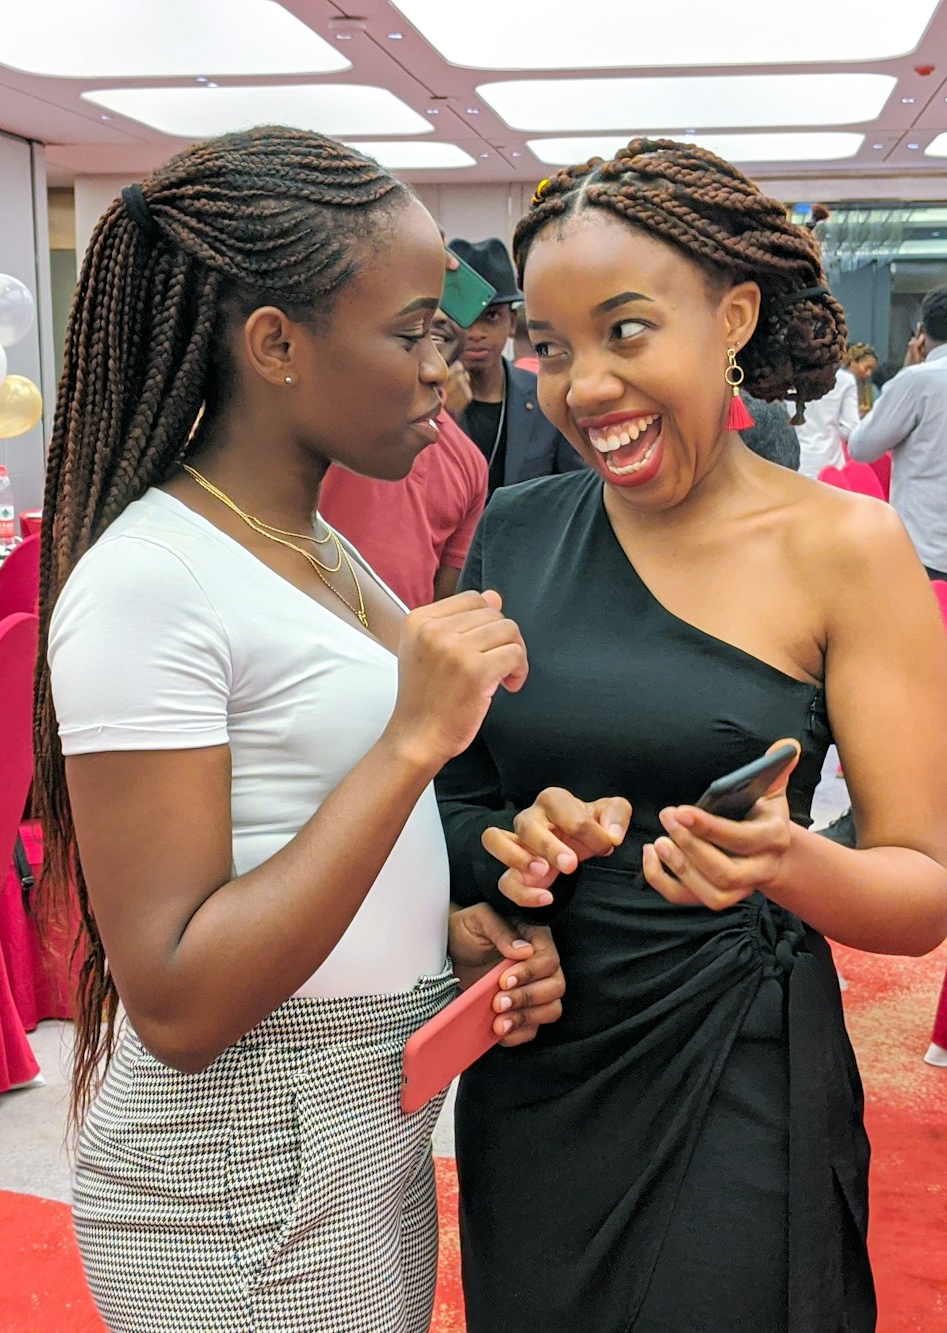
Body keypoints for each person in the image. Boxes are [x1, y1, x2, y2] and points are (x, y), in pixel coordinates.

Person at [33, 125, 565, 1333]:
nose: (446, 364)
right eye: (412, 328)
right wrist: (411, 744)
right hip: (234, 1187)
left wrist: (448, 937)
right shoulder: (151, 579)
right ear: (273, 343)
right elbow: (173, 1001)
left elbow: (300, 842)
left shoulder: (304, 543)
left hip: (351, 1143)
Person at [436, 138, 947, 1333]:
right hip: (540, 1059)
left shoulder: (844, 550)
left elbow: (922, 888)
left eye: (625, 332)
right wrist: (506, 850)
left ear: (731, 316)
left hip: (734, 1066)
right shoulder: (513, 532)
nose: (582, 388)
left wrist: (789, 862)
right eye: (549, 348)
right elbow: (453, 799)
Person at [319, 307, 488, 606]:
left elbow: (442, 600)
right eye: (423, 303)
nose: (438, 316)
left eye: (454, 298)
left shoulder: (469, 461)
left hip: (398, 650)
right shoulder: (329, 414)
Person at [449, 236, 583, 493]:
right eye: (465, 316)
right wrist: (446, 416)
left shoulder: (545, 395)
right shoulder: (423, 402)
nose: (476, 333)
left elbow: (574, 489)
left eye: (491, 317)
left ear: (511, 323)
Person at [848, 288, 947, 580]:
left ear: (921, 332)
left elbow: (861, 447)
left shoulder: (919, 380)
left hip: (926, 547)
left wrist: (907, 372)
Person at [789, 361, 859, 478]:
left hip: (793, 462)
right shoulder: (845, 380)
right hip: (831, 464)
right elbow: (850, 428)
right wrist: (831, 428)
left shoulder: (784, 377)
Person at [845, 341, 878, 416]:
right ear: (853, 362)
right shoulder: (835, 384)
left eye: (872, 369)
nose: (869, 373)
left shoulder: (873, 391)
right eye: (866, 368)